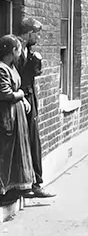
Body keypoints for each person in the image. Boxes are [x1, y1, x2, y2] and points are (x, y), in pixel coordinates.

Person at [17, 17, 55, 198]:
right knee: (21, 141)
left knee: (33, 139)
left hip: (29, 99)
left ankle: (36, 183)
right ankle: (24, 185)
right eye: (37, 34)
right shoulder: (15, 49)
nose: (39, 37)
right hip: (19, 100)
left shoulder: (28, 51)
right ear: (29, 33)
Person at [0, 35, 35, 198]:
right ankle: (5, 189)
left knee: (17, 150)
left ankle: (16, 186)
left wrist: (22, 100)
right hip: (7, 115)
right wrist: (21, 95)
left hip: (16, 114)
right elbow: (6, 94)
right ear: (13, 50)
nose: (20, 53)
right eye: (18, 49)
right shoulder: (2, 68)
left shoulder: (11, 67)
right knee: (8, 150)